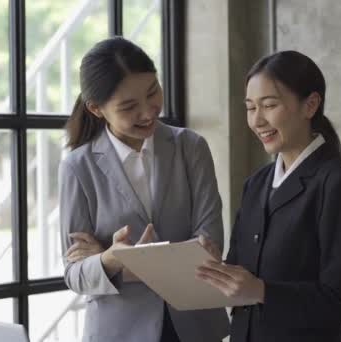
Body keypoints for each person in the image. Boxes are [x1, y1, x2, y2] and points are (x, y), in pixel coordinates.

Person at [59, 36, 229, 342]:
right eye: (128, 107)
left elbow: (210, 248)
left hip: (196, 327)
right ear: (97, 109)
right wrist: (111, 258)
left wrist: (117, 262)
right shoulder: (77, 167)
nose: (149, 112)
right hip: (120, 332)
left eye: (153, 92)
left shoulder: (190, 147)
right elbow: (74, 274)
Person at [196, 50, 341, 342]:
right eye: (250, 108)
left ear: (310, 105)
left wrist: (260, 291)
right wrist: (220, 268)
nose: (257, 120)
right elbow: (242, 280)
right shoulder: (256, 184)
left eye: (269, 105)